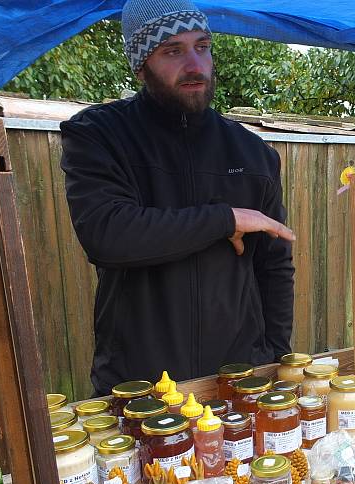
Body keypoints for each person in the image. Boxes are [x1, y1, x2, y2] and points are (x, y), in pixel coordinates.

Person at [60, 0, 296, 396]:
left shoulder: (252, 153)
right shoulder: (100, 135)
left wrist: (274, 358)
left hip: (237, 380)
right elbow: (108, 234)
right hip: (139, 386)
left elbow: (275, 268)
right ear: (139, 63)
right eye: (173, 50)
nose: (195, 65)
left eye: (202, 46)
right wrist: (225, 219)